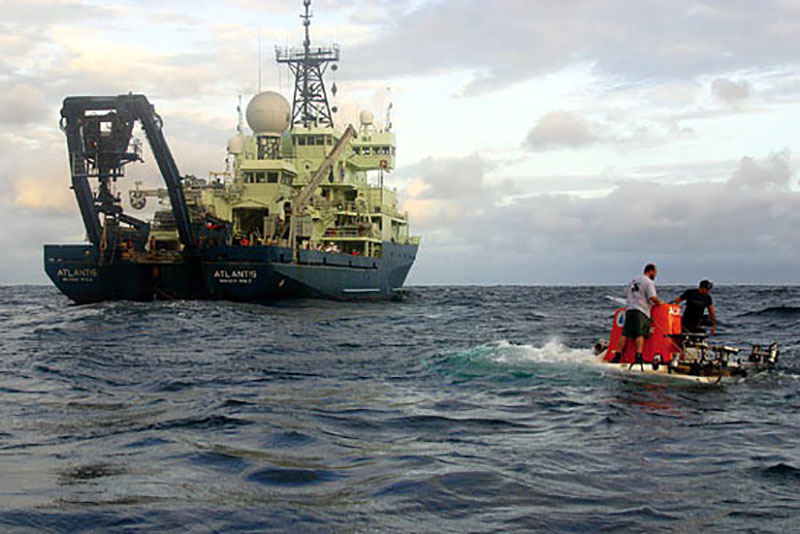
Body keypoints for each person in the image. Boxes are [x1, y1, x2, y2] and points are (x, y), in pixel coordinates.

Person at [611, 263, 663, 364]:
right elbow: (652, 297)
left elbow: (626, 293)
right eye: (655, 273)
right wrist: (660, 302)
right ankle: (638, 357)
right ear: (651, 271)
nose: (655, 275)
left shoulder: (634, 280)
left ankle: (617, 356)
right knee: (640, 334)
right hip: (641, 310)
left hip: (630, 309)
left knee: (625, 333)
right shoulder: (648, 282)